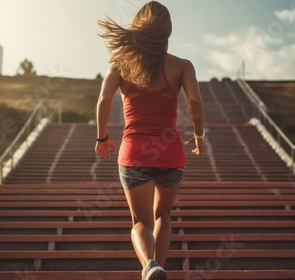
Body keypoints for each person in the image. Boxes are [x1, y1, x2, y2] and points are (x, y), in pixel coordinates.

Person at [95, 2, 204, 279]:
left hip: (134, 154)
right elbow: (194, 100)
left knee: (140, 221)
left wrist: (102, 137)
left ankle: (149, 266)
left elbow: (104, 99)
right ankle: (157, 269)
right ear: (167, 32)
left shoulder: (120, 64)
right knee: (163, 216)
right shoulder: (182, 66)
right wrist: (199, 134)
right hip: (171, 153)